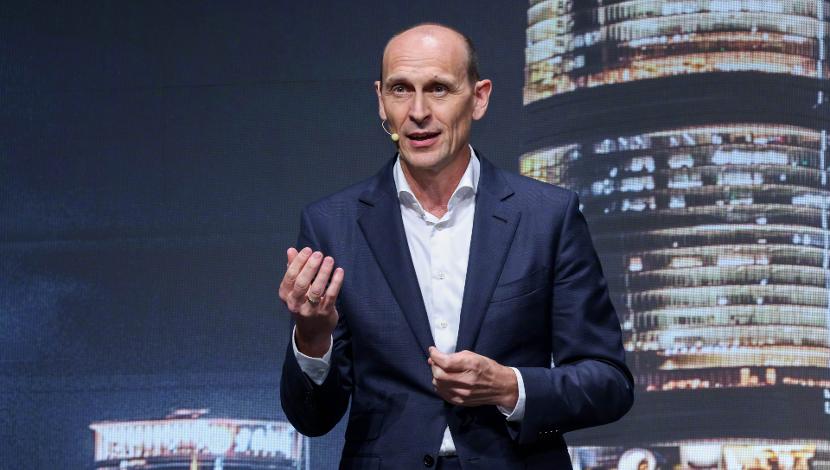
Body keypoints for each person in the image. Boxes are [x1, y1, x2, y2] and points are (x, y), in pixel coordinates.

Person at [279, 23, 633, 469]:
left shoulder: (548, 216)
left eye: (439, 89)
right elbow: (312, 419)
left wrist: (510, 387)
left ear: (479, 98)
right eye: (401, 89)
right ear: (381, 101)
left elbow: (609, 382)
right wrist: (313, 340)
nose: (418, 111)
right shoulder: (332, 225)